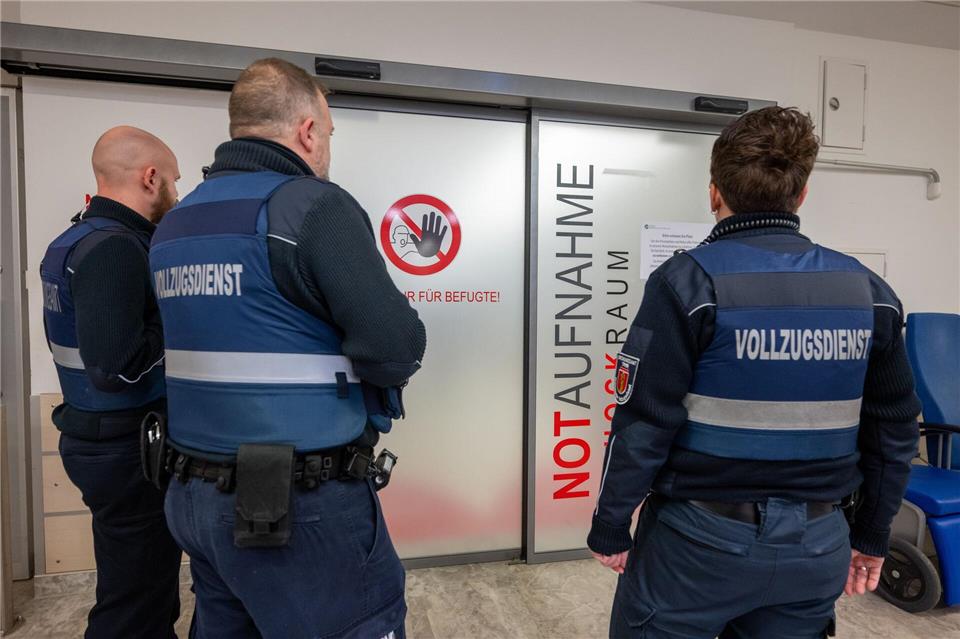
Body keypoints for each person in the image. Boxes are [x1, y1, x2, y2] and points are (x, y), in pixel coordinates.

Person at [588, 106, 921, 638]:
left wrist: (610, 524)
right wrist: (872, 534)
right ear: (802, 193)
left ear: (715, 191)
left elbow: (644, 422)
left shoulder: (686, 283)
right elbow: (895, 430)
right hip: (818, 544)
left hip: (697, 545)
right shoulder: (869, 292)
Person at [150, 58, 426, 639]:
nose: (326, 149)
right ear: (306, 131)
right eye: (327, 134)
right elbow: (394, 343)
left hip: (194, 493)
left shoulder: (178, 221)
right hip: (297, 505)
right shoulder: (310, 206)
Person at [40, 126, 183, 639]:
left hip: (99, 438)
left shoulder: (73, 239)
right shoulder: (117, 249)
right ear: (150, 178)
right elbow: (117, 367)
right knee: (135, 603)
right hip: (125, 446)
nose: (176, 192)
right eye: (173, 180)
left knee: (138, 585)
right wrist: (182, 316)